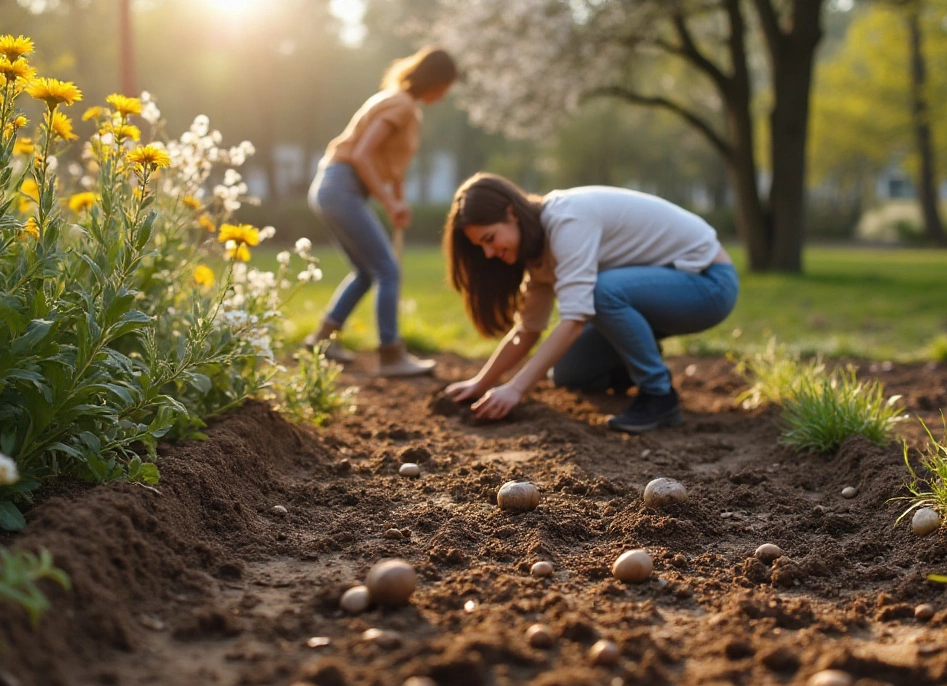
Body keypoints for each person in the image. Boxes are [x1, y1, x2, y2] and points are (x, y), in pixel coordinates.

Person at [442, 174, 739, 433]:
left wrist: (515, 389)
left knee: (600, 292)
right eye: (482, 246)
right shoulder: (537, 255)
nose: (489, 252)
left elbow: (574, 320)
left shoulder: (566, 220)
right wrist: (481, 383)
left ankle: (659, 395)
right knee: (569, 372)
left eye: (490, 238)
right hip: (666, 292)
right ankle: (633, 359)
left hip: (709, 284)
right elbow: (528, 330)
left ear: (511, 213)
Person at [303, 47, 457, 377]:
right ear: (436, 82)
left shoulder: (398, 103)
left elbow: (390, 166)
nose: (445, 95)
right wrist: (390, 203)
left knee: (366, 271)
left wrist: (397, 200)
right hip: (341, 185)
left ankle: (322, 339)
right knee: (388, 269)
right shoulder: (400, 106)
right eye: (446, 86)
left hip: (332, 186)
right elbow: (361, 155)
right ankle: (391, 354)